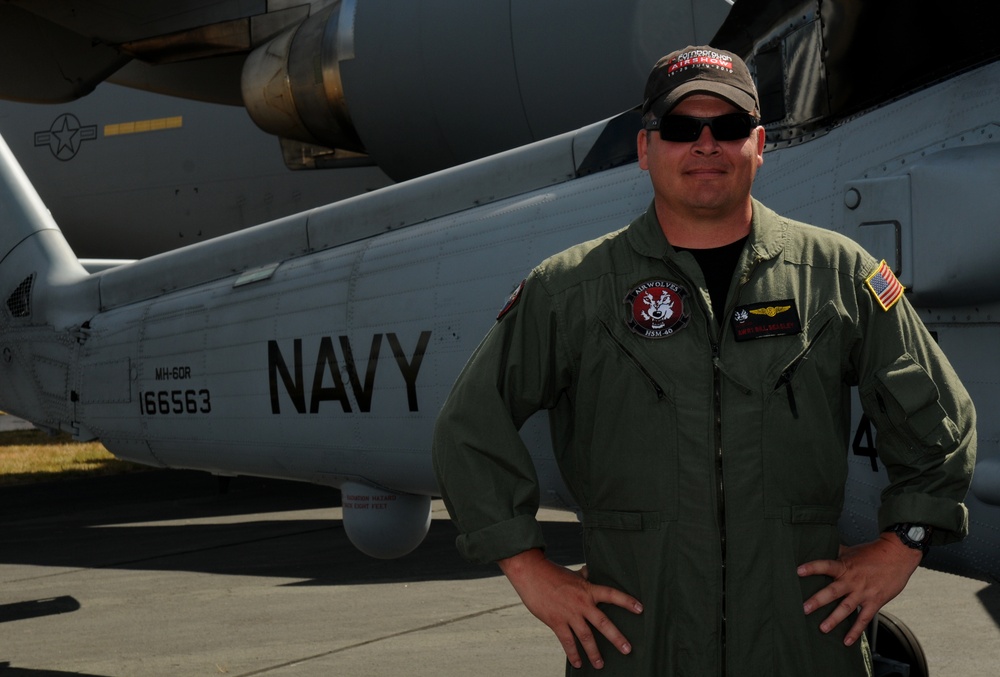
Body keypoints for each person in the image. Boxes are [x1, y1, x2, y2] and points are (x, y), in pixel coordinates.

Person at [431, 45, 976, 675]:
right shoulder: (572, 289)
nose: (707, 144)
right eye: (682, 128)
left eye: (731, 126)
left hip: (799, 644)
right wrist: (529, 570)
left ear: (760, 143)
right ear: (645, 149)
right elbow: (470, 427)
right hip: (640, 644)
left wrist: (902, 544)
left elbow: (941, 420)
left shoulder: (836, 276)